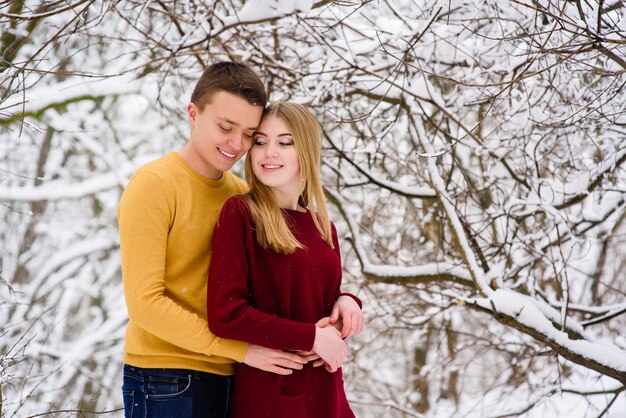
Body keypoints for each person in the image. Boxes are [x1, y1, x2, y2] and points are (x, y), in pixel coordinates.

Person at [118, 63, 328, 418]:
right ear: (193, 113)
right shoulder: (155, 184)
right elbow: (145, 303)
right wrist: (237, 348)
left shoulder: (242, 196)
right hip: (166, 376)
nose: (237, 144)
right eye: (225, 127)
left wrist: (344, 302)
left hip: (232, 374)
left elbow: (284, 277)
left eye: (249, 134)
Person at [207, 102, 364, 418]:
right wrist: (312, 337)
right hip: (272, 394)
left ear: (305, 150)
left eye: (284, 142)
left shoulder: (324, 227)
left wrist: (345, 302)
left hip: (327, 391)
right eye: (261, 142)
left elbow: (316, 297)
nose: (269, 152)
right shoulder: (241, 213)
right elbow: (226, 313)